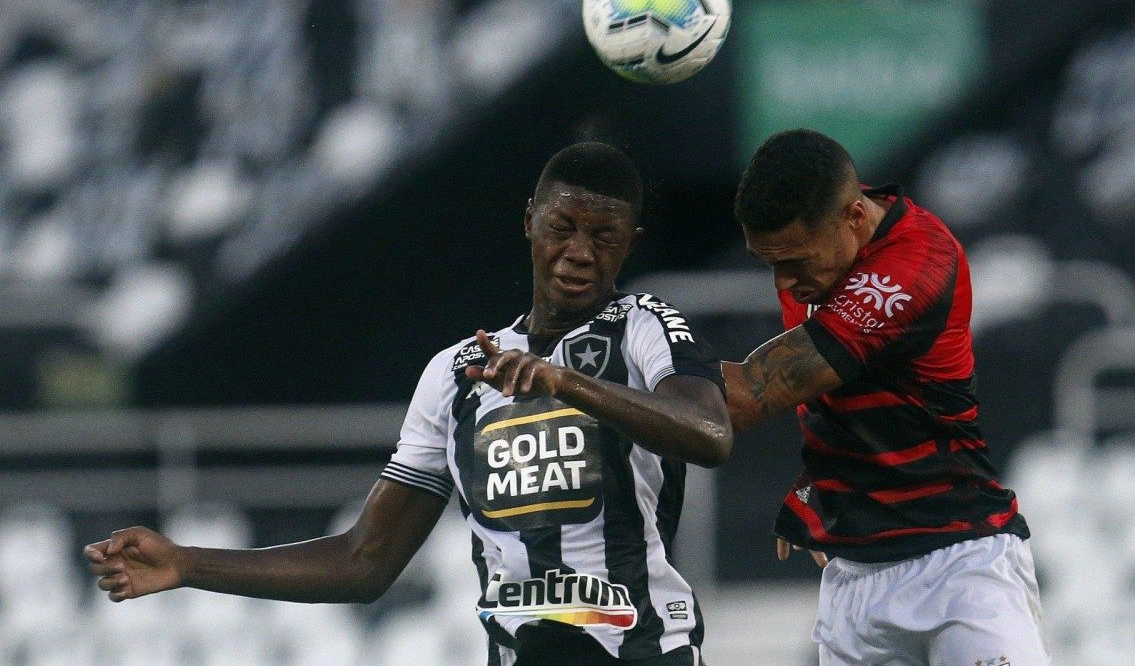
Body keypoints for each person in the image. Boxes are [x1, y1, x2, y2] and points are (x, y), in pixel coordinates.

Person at [84, 142, 731, 666]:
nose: (580, 252)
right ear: (530, 218)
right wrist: (187, 563)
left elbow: (709, 432)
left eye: (605, 235)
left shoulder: (644, 325)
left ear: (633, 241)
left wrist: (565, 383)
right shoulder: (454, 374)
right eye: (563, 227)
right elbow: (364, 561)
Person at [721, 129, 1048, 666]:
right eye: (770, 263)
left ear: (854, 218)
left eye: (796, 261)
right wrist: (824, 482)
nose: (784, 280)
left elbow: (752, 394)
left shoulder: (919, 261)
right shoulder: (816, 241)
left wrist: (608, 363)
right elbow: (843, 390)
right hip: (854, 585)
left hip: (958, 565)